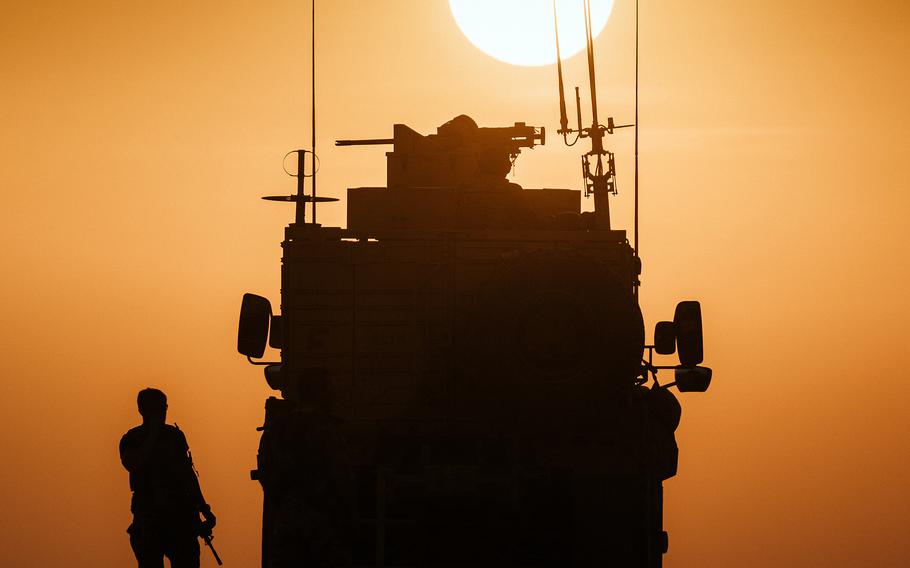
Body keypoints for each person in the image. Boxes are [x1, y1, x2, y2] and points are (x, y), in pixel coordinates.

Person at [120, 388, 217, 568]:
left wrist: (204, 509)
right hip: (149, 520)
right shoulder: (132, 439)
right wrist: (152, 436)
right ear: (142, 410)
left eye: (163, 408)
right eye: (155, 409)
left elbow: (188, 476)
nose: (161, 412)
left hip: (180, 521)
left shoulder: (175, 437)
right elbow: (132, 464)